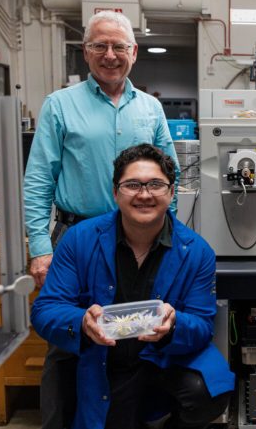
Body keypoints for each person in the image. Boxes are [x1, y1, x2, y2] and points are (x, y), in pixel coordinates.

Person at [24, 10, 179, 428]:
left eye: (118, 47)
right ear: (85, 52)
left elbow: (171, 176)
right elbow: (38, 180)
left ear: (133, 53)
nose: (109, 55)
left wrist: (173, 239)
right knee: (69, 340)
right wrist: (41, 249)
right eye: (99, 46)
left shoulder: (149, 108)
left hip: (140, 240)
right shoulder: (60, 105)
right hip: (77, 237)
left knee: (133, 335)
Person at [31, 144, 233, 429]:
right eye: (133, 185)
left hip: (160, 359)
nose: (145, 194)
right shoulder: (79, 239)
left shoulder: (197, 252)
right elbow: (45, 310)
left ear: (171, 192)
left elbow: (202, 325)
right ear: (115, 193)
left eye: (156, 185)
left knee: (208, 390)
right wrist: (82, 322)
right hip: (99, 358)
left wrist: (174, 325)